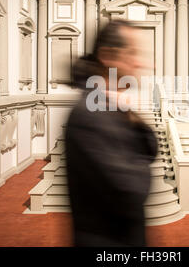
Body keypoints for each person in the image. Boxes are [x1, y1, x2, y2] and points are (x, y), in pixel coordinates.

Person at [65, 20, 158, 246]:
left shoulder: (110, 106)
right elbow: (133, 190)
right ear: (108, 55)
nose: (145, 64)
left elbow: (151, 148)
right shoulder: (89, 114)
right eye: (133, 53)